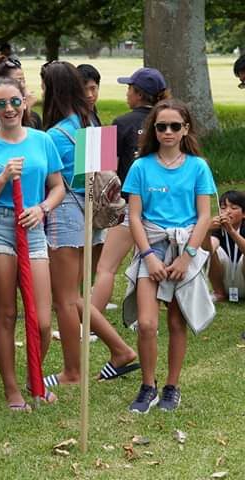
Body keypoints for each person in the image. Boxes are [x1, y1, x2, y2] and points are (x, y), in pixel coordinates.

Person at [0, 77, 66, 410]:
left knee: (42, 320)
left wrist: (42, 208)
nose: (8, 109)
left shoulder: (42, 140)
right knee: (7, 314)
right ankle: (12, 390)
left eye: (14, 102)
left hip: (32, 225)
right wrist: (3, 178)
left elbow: (57, 187)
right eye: (1, 104)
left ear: (24, 102)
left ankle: (33, 378)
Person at [40, 61, 138, 388]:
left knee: (65, 298)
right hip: (95, 214)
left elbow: (47, 179)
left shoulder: (54, 134)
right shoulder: (92, 123)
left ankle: (72, 372)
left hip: (68, 213)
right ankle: (121, 350)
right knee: (78, 295)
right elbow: (105, 174)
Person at [121, 99, 216, 413]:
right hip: (153, 246)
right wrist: (148, 256)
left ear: (185, 128)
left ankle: (171, 387)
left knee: (177, 321)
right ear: (154, 130)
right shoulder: (141, 166)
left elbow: (204, 215)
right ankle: (148, 386)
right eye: (161, 126)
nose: (168, 131)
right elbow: (134, 216)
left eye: (175, 125)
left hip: (184, 247)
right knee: (147, 324)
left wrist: (187, 257)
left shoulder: (197, 166)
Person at [91, 67, 169, 313]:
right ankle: (142, 319)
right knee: (146, 262)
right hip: (160, 208)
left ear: (138, 94)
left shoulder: (122, 122)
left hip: (127, 208)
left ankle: (89, 325)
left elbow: (103, 168)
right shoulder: (169, 123)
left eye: (129, 89)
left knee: (106, 268)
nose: (127, 94)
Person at [0, 58, 42, 139]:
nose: (22, 85)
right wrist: (26, 109)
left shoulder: (36, 120)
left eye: (23, 80)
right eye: (18, 80)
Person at [202, 190, 245, 303]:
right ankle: (219, 292)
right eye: (223, 207)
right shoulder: (218, 229)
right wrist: (207, 232)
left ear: (244, 214)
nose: (227, 212)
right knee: (209, 254)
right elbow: (208, 249)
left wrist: (231, 231)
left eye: (234, 208)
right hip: (226, 280)